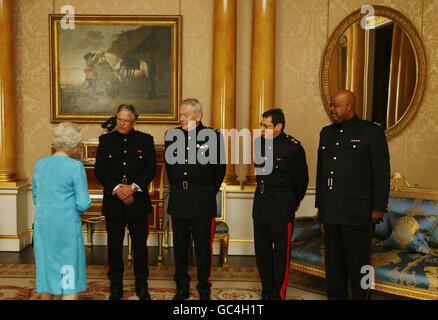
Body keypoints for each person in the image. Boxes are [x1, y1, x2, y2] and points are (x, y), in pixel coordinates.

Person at [315, 89, 390, 300]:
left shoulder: (371, 132)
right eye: (331, 105)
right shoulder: (326, 133)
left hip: (358, 213)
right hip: (332, 211)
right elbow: (322, 173)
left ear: (349, 106)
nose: (332, 109)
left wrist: (378, 207)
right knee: (334, 266)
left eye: (336, 105)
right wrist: (321, 206)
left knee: (360, 265)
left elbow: (381, 173)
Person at [164, 98, 226, 300]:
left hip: (202, 200)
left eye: (186, 115)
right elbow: (171, 169)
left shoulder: (214, 137)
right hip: (179, 199)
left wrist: (206, 192)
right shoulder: (171, 136)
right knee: (180, 247)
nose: (181, 118)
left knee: (202, 248)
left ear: (198, 116)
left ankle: (203, 286)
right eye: (180, 114)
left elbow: (219, 170)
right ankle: (182, 285)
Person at [94, 104, 156, 300]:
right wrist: (118, 190)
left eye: (126, 120)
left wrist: (132, 188)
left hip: (138, 202)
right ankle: (116, 286)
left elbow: (150, 170)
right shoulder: (105, 140)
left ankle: (141, 285)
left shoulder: (146, 140)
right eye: (119, 119)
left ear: (134, 122)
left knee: (139, 246)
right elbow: (100, 170)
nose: (121, 123)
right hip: (114, 202)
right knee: (114, 246)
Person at [252, 108, 309, 300]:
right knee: (262, 252)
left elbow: (301, 182)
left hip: (281, 208)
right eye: (261, 124)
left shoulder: (293, 148)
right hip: (260, 206)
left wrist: (291, 203)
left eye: (265, 125)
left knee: (281, 255)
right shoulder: (258, 143)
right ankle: (267, 291)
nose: (261, 129)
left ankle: (278, 294)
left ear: (278, 126)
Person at [32, 122, 91, 300]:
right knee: (68, 277)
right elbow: (83, 203)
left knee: (46, 274)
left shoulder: (40, 164)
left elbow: (36, 196)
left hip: (43, 225)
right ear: (75, 146)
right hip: (66, 227)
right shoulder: (75, 167)